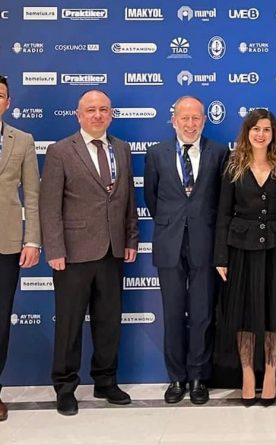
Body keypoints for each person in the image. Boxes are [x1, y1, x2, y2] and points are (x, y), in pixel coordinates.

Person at [40, 89, 139, 416]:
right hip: (72, 253)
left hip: (112, 250)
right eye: (91, 110)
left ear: (111, 114)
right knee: (69, 324)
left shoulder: (121, 148)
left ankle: (106, 381)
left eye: (104, 110)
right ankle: (65, 386)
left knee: (108, 321)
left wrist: (131, 239)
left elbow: (128, 199)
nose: (98, 115)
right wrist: (55, 248)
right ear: (79, 115)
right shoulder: (60, 151)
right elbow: (49, 205)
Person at [213, 109, 276, 406]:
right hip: (241, 251)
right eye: (255, 129)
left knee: (274, 313)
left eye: (266, 129)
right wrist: (221, 256)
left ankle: (271, 374)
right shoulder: (233, 166)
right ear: (246, 133)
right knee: (243, 315)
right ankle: (248, 374)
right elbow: (223, 214)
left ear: (273, 134)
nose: (260, 134)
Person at [144, 96, 229, 404]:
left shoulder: (219, 152)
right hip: (169, 244)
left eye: (196, 118)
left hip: (206, 244)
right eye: (185, 118)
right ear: (174, 120)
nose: (190, 124)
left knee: (203, 314)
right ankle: (177, 378)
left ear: (204, 120)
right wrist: (173, 224)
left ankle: (198, 377)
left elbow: (223, 201)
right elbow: (152, 198)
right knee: (173, 314)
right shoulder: (157, 154)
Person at [0, 75, 40, 421]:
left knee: (0, 320)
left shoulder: (22, 140)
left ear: (8, 102)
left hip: (7, 242)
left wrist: (32, 239)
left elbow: (33, 194)